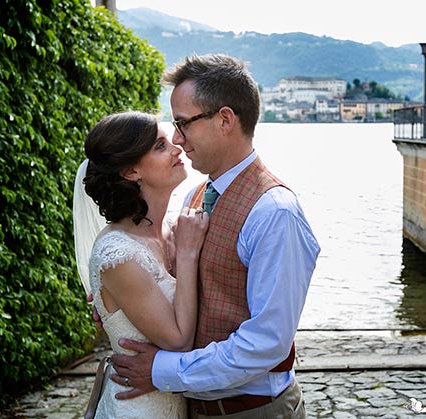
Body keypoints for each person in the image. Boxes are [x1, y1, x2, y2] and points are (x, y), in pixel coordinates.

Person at [109, 54, 321, 418]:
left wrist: (161, 371)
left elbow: (266, 344)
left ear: (224, 119)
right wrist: (120, 304)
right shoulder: (197, 194)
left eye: (183, 123)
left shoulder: (276, 212)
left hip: (253, 411)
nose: (177, 138)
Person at [77, 111, 209, 419]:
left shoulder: (172, 229)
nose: (178, 146)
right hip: (138, 408)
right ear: (131, 172)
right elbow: (177, 340)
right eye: (161, 146)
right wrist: (188, 255)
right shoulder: (117, 254)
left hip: (174, 402)